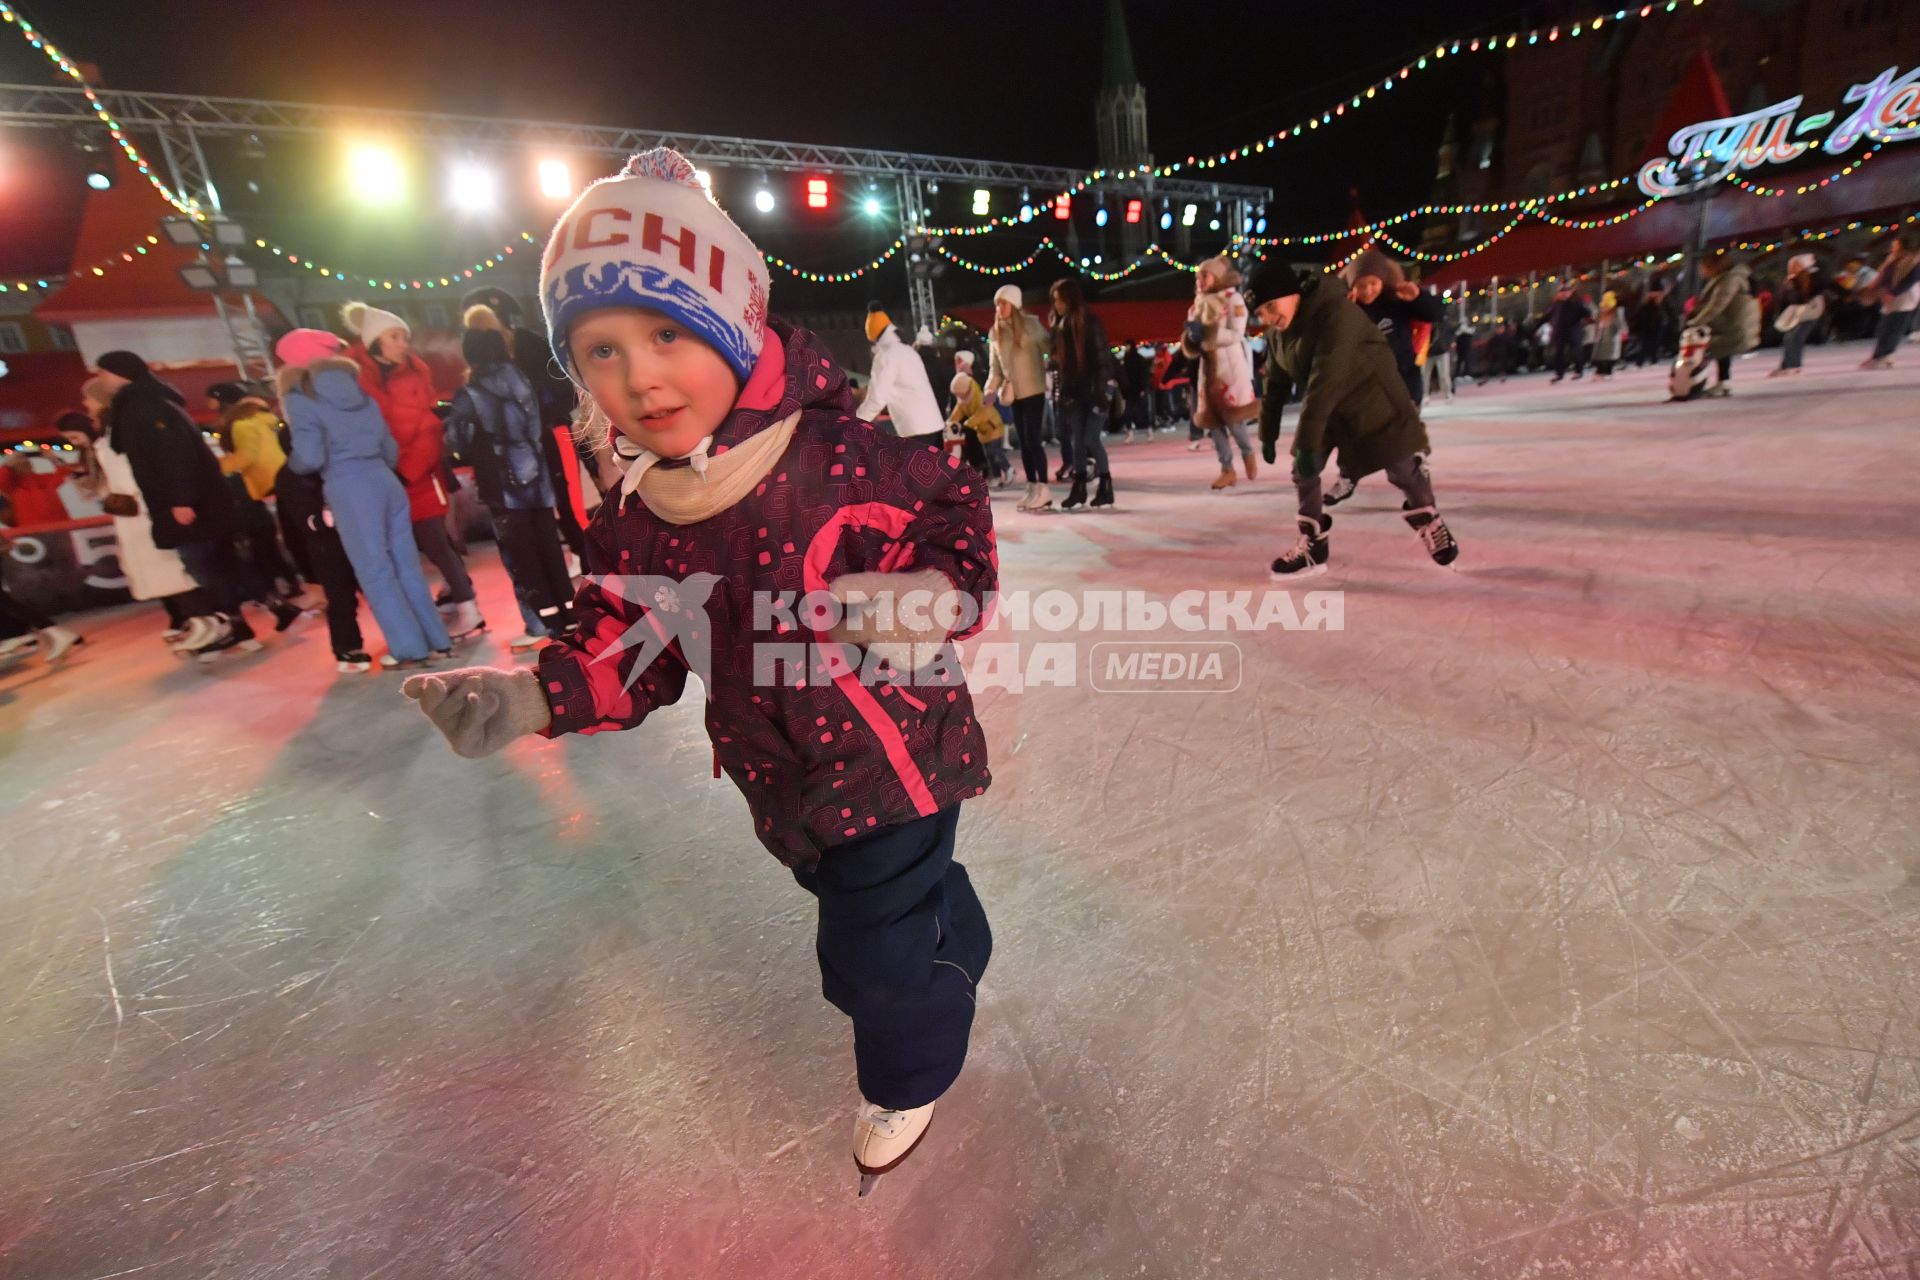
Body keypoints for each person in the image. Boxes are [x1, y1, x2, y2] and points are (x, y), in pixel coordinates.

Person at [403, 148, 996, 1195]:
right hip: (789, 784)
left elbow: (954, 510)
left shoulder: (837, 456)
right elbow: (628, 640)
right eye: (600, 351)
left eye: (667, 332)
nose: (638, 375)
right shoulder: (645, 515)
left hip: (897, 754)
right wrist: (529, 695)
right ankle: (953, 931)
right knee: (873, 906)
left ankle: (911, 1068)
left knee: (866, 960)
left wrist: (933, 598)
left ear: (732, 324)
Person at [1246, 261, 1460, 576]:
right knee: (1303, 471)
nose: (1266, 317)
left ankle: (1429, 519)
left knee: (1400, 467)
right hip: (1330, 410)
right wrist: (1268, 431)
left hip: (1373, 401)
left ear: (1291, 293)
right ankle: (1313, 544)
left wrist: (1305, 442)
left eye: (1269, 306)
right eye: (1260, 313)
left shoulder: (1336, 314)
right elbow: (1275, 384)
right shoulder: (1279, 335)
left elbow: (1326, 379)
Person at [93, 350, 298, 657]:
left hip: (188, 503)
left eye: (103, 372)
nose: (101, 379)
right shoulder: (151, 401)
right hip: (200, 500)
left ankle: (236, 625)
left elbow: (172, 453)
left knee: (204, 566)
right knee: (223, 560)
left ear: (121, 372)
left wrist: (180, 500)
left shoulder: (144, 405)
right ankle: (273, 607)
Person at [279, 327, 453, 670]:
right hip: (385, 481)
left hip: (349, 485)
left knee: (375, 571)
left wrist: (292, 465)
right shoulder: (360, 392)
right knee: (406, 566)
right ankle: (437, 640)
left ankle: (408, 648)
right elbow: (388, 449)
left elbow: (310, 457)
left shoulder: (301, 397)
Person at [341, 301, 484, 639]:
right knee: (397, 551)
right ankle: (428, 613)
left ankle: (468, 606)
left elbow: (428, 428)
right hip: (378, 475)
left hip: (417, 475)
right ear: (375, 341)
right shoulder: (353, 375)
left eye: (403, 336)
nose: (403, 343)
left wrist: (406, 470)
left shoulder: (416, 372)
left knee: (435, 543)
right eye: (395, 336)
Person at [445, 325, 577, 650]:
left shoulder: (472, 393)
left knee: (523, 559)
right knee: (550, 549)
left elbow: (454, 440)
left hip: (502, 484)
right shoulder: (524, 380)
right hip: (537, 474)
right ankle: (570, 617)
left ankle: (544, 624)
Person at [463, 288, 594, 564]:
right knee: (546, 510)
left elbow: (564, 388)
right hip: (521, 448)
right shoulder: (486, 364)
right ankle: (578, 559)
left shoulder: (530, 345)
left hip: (552, 434)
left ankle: (593, 556)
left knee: (571, 501)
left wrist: (543, 416)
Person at [71, 380, 202, 644]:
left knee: (169, 566)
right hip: (133, 511)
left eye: (89, 399)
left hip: (141, 509)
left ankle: (201, 619)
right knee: (161, 568)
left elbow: (137, 470)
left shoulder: (118, 433)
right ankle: (192, 619)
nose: (86, 404)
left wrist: (127, 496)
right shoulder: (107, 434)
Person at [207, 382, 304, 602]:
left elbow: (246, 456)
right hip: (288, 476)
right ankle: (302, 581)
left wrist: (214, 466)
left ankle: (304, 584)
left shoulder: (241, 424)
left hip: (273, 479)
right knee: (292, 534)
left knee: (286, 537)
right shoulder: (264, 417)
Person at [1183, 255, 1259, 491]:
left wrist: (1210, 334)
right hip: (1208, 371)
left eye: (1204, 275)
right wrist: (1192, 339)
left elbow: (1237, 333)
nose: (1200, 281)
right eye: (1197, 277)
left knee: (1233, 418)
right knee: (1212, 422)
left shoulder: (1232, 298)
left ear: (1217, 276)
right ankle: (1227, 469)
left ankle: (1247, 453)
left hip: (1229, 369)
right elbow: (1192, 340)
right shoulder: (1197, 304)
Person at [982, 284, 1053, 512]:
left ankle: (1044, 487)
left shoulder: (1031, 326)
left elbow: (1050, 348)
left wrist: (1050, 364)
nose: (999, 308)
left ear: (1014, 304)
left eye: (1003, 303)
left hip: (1033, 390)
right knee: (1023, 443)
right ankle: (1032, 486)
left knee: (1033, 439)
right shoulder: (996, 333)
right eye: (997, 304)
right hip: (1014, 394)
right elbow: (995, 368)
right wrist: (990, 388)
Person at [1048, 277, 1117, 511]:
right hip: (1076, 390)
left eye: (1058, 300)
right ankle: (1079, 489)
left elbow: (1101, 358)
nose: (1055, 304)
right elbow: (1061, 363)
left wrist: (1100, 391)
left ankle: (1106, 485)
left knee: (1090, 439)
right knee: (1077, 441)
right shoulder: (1061, 326)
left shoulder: (1089, 322)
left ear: (1069, 299)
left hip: (1096, 388)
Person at [1348, 266, 1445, 404]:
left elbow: (1436, 314)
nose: (1367, 290)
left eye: (1373, 283)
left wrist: (1418, 297)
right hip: (1365, 390)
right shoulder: (1348, 306)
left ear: (1382, 281)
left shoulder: (1397, 301)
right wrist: (1345, 312)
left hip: (1404, 384)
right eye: (1361, 285)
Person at [856, 304, 945, 443]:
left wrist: (853, 423)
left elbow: (876, 399)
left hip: (915, 427)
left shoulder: (886, 355)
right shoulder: (907, 349)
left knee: (913, 464)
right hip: (931, 422)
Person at [1692, 255, 1761, 394]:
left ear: (1713, 266)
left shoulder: (1729, 280)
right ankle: (1722, 383)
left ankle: (1694, 384)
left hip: (1733, 327)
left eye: (1702, 267)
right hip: (1731, 325)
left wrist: (1695, 322)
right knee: (1719, 352)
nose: (1701, 271)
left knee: (1703, 349)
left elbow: (1717, 304)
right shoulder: (1731, 277)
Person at [946, 352, 1010, 489]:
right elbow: (959, 409)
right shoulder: (963, 392)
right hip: (982, 430)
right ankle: (997, 475)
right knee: (990, 455)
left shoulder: (977, 393)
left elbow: (983, 412)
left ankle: (1008, 470)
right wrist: (951, 422)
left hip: (993, 427)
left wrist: (968, 423)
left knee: (996, 453)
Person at [1861, 229, 1920, 369]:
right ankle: (1883, 355)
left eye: (1896, 245)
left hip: (1904, 297)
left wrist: (1895, 292)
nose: (1892, 247)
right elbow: (1883, 276)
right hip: (1889, 297)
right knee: (1885, 327)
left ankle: (1881, 356)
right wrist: (1873, 288)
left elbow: (1912, 278)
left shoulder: (1913, 259)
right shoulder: (1891, 259)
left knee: (1893, 328)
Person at [1770, 253, 1828, 376]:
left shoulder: (1812, 277)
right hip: (1796, 312)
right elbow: (1785, 299)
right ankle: (1787, 364)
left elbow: (1825, 287)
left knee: (1796, 336)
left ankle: (1793, 364)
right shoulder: (1791, 280)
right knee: (1790, 337)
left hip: (1810, 311)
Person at [1544, 285, 1593, 382]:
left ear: (1570, 292)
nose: (1563, 294)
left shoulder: (1576, 301)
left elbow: (1586, 312)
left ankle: (1578, 371)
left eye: (1565, 292)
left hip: (1574, 330)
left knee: (1575, 351)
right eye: (1561, 292)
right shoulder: (1557, 303)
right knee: (1559, 352)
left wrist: (1587, 320)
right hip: (1560, 330)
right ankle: (1559, 374)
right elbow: (1549, 315)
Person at [1590, 292, 1625, 378]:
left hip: (1611, 338)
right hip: (1601, 337)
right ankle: (1600, 371)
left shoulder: (1616, 314)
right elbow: (1595, 318)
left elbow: (1620, 325)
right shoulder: (1600, 313)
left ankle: (1608, 372)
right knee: (1599, 356)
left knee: (1610, 356)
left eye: (1606, 306)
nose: (1604, 308)